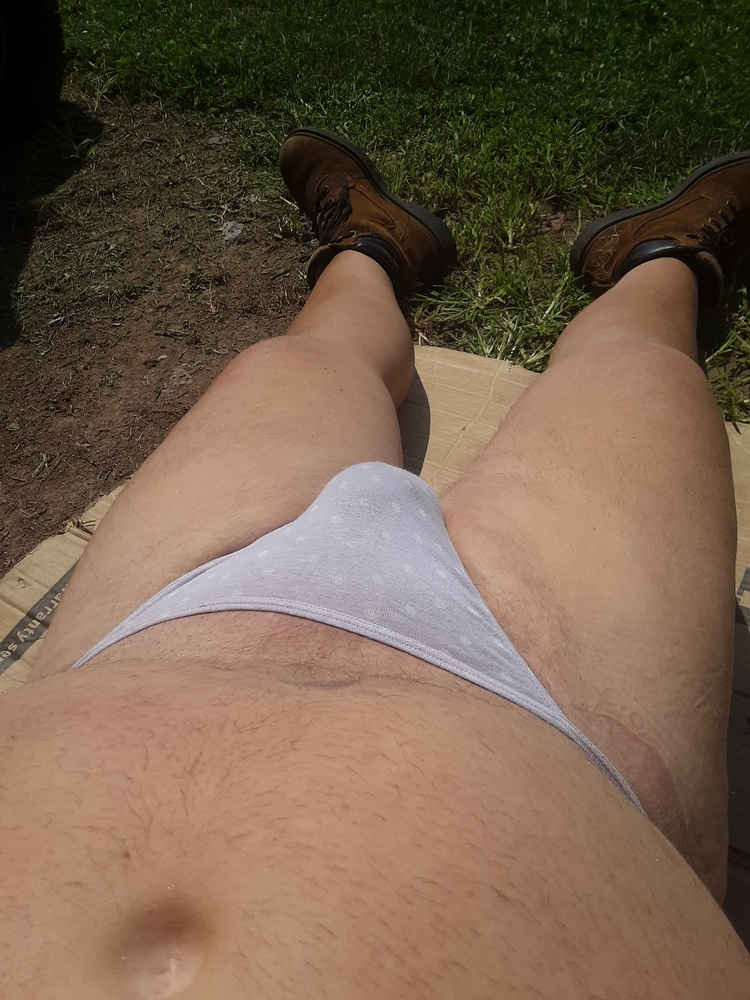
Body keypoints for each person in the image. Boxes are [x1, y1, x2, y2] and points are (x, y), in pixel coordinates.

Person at [1, 128, 749, 998]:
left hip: (147, 642)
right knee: (644, 375)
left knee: (304, 359)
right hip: (570, 744)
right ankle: (666, 260)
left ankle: (371, 245)